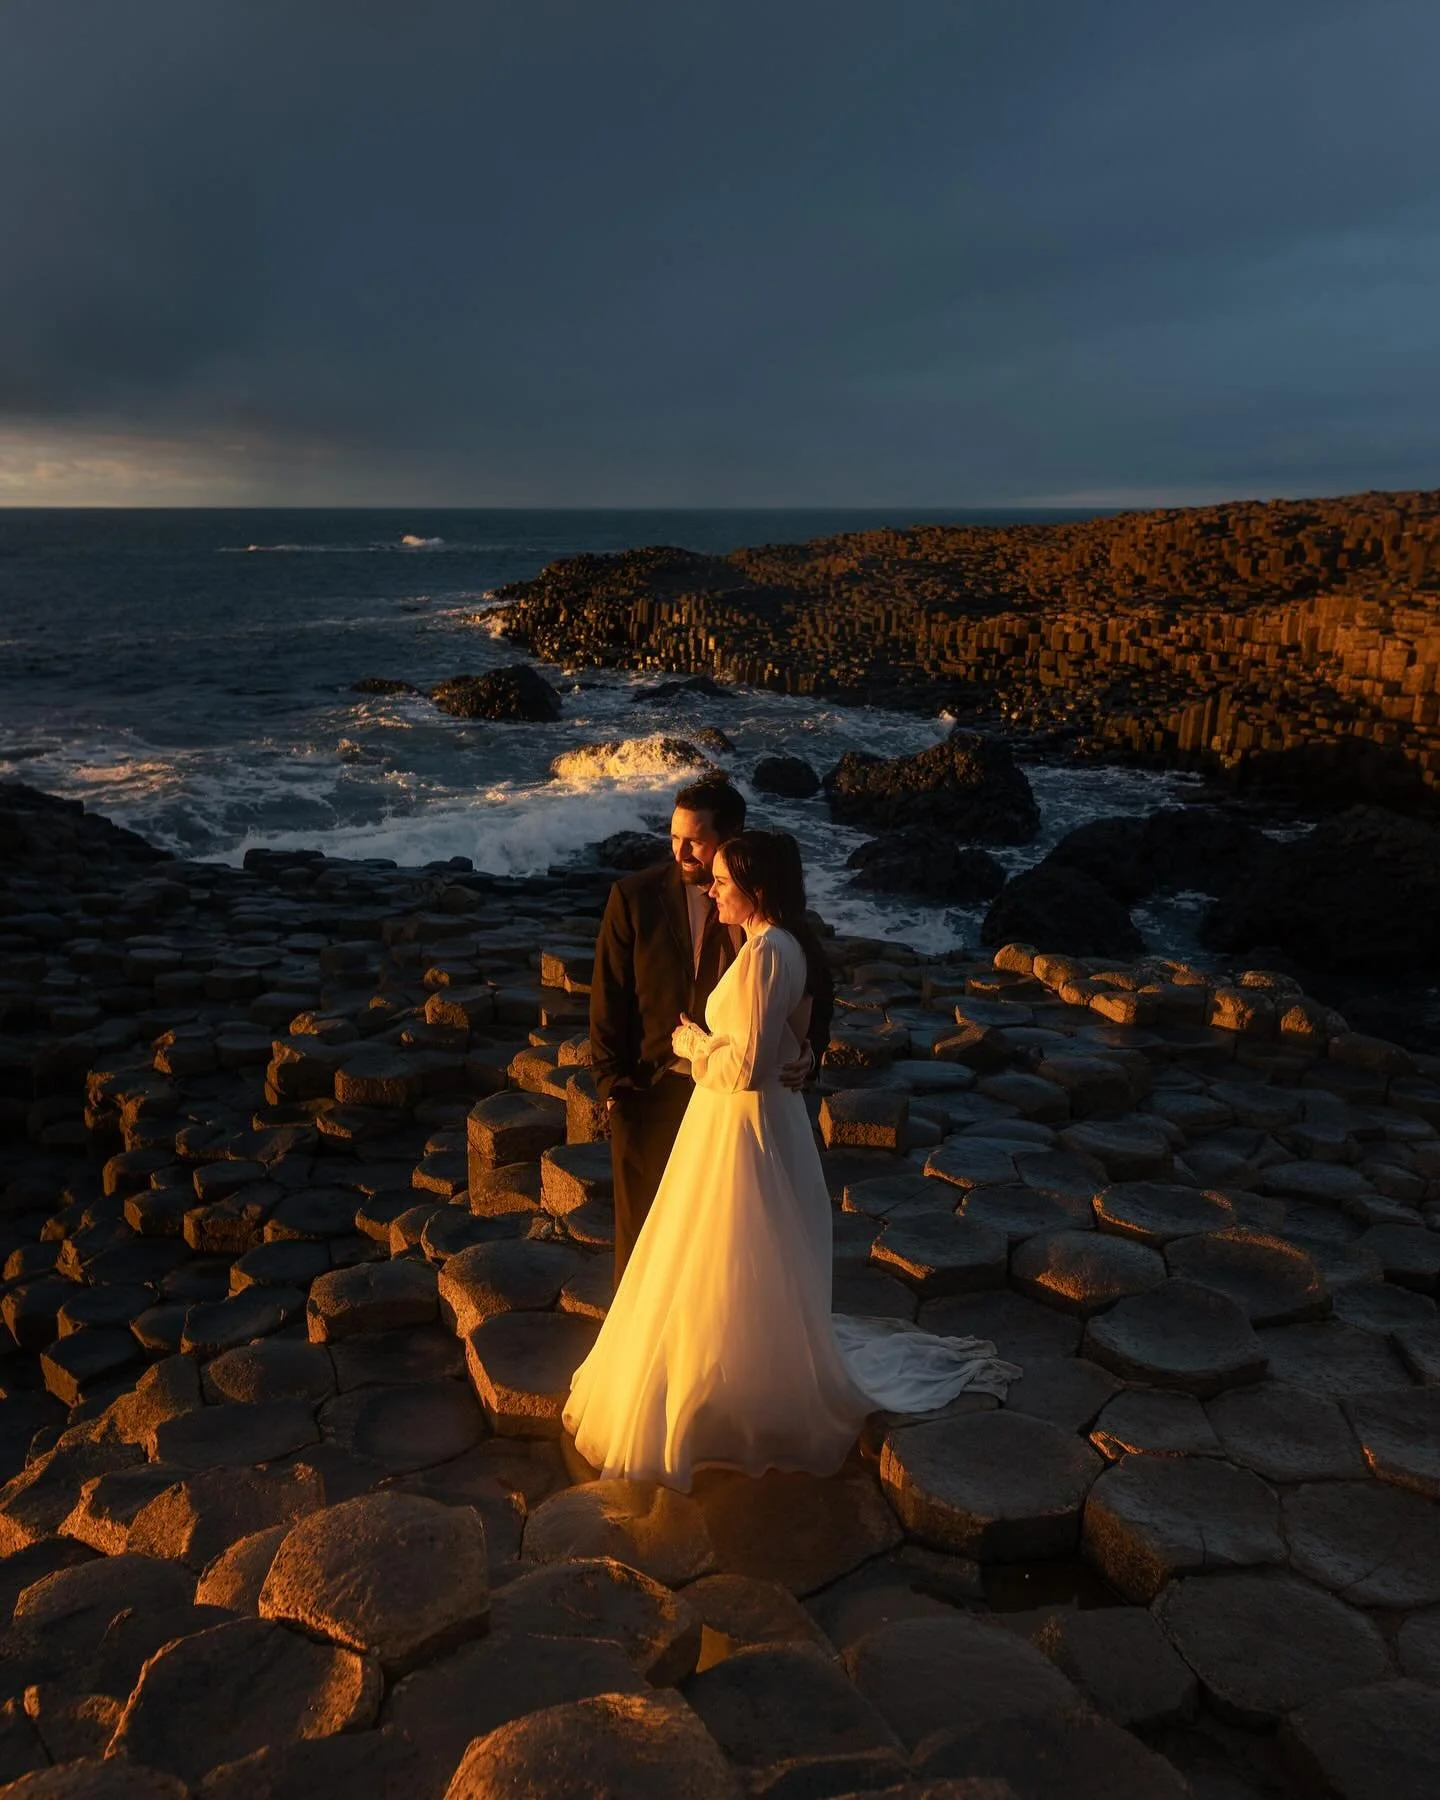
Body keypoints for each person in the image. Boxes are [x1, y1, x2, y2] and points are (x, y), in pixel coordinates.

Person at [564, 829, 1018, 1488]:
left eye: (722, 881)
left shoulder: (769, 952)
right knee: (729, 1255)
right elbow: (770, 1044)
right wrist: (772, 1049)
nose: (711, 889)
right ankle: (730, 1368)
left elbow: (743, 1068)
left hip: (743, 1127)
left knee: (734, 1247)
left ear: (755, 888)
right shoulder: (771, 945)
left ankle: (739, 1391)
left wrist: (691, 1045)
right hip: (740, 1124)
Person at [589, 775, 831, 1284]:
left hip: (730, 1108)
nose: (681, 852)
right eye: (673, 837)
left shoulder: (772, 923)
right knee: (643, 1242)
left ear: (731, 837)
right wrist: (612, 1087)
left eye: (694, 841)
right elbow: (608, 997)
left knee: (720, 1248)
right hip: (650, 1089)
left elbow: (815, 986)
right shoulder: (633, 898)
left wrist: (809, 1050)